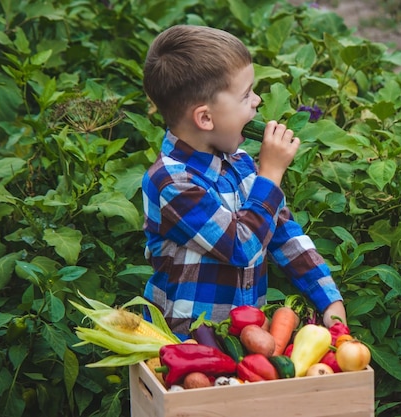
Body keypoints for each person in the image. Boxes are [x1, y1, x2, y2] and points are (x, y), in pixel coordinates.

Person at [141, 24, 346, 339]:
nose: (258, 100)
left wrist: (328, 298)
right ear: (206, 118)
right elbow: (241, 246)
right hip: (184, 343)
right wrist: (271, 174)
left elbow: (283, 234)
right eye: (246, 94)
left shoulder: (241, 164)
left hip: (246, 336)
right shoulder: (171, 182)